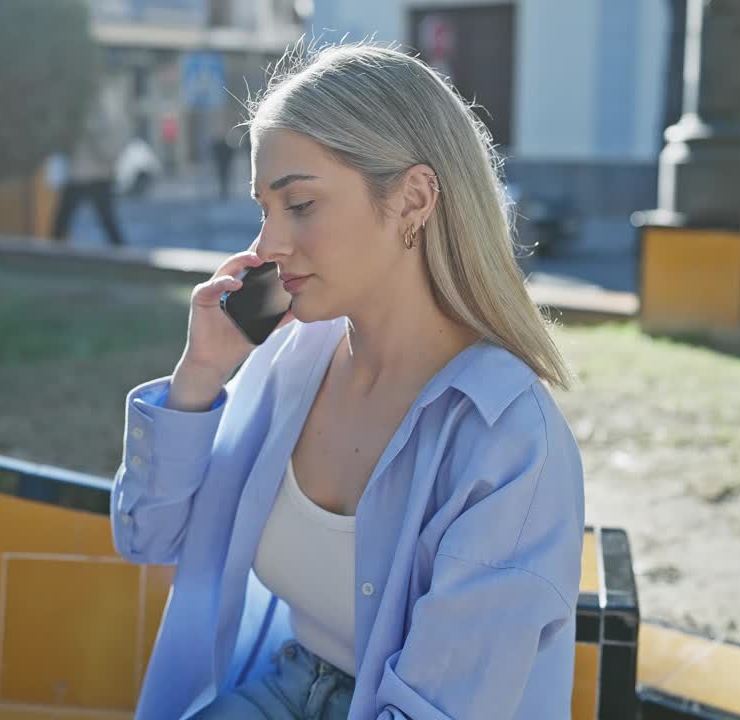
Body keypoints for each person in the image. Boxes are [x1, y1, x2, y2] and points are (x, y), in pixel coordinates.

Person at [112, 42, 584, 720]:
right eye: (264, 209)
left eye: (299, 204)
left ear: (414, 199)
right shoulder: (287, 360)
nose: (269, 244)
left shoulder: (510, 443)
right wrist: (200, 377)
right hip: (285, 686)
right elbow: (150, 537)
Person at [52, 88, 126, 246]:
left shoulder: (103, 104)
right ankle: (53, 258)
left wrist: (86, 126)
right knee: (61, 223)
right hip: (80, 173)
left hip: (97, 174)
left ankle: (125, 258)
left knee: (108, 222)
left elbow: (109, 138)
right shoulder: (79, 103)